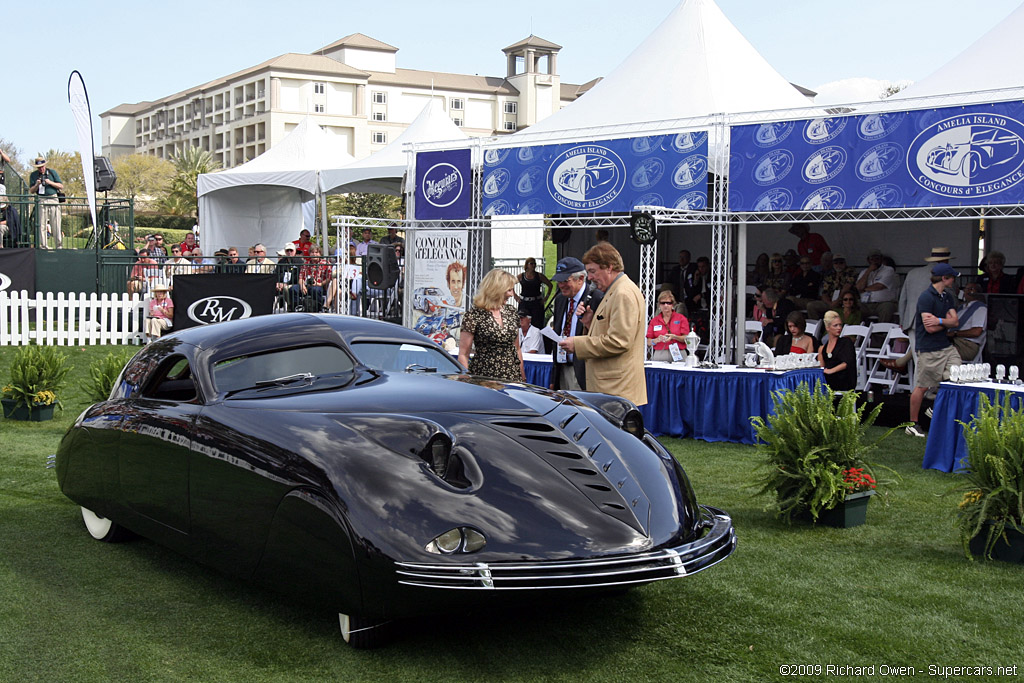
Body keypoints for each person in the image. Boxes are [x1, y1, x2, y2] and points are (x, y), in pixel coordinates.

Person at [559, 242, 647, 406]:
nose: (590, 277)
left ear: (609, 267)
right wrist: (590, 323)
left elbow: (619, 342)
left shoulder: (622, 294)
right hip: (612, 390)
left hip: (617, 390)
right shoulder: (616, 290)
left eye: (593, 271)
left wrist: (577, 344)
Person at [906, 263, 961, 438]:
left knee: (957, 377)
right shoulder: (926, 298)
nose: (954, 280)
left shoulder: (947, 296)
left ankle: (934, 407)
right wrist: (945, 323)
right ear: (944, 279)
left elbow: (956, 322)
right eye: (952, 277)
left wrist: (938, 321)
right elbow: (929, 328)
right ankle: (912, 424)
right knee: (922, 386)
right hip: (929, 349)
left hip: (946, 347)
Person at [886, 247, 955, 373]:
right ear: (945, 260)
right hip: (933, 321)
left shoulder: (912, 273)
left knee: (919, 358)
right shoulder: (944, 275)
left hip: (911, 321)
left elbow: (903, 299)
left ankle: (918, 390)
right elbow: (951, 300)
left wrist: (903, 320)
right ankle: (925, 390)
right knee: (931, 359)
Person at [458, 268, 524, 383]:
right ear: (497, 290)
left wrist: (522, 378)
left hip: (512, 378)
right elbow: (463, 354)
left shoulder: (511, 312)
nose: (512, 294)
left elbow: (517, 348)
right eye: (509, 290)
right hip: (483, 379)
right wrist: (466, 381)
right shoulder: (474, 315)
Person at [548, 257, 602, 392]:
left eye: (565, 281)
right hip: (562, 368)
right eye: (559, 281)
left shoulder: (596, 298)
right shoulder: (561, 299)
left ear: (581, 279)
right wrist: (554, 377)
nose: (561, 285)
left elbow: (602, 337)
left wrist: (588, 323)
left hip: (583, 371)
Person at [29, 156, 64, 249]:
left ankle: (59, 245)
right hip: (41, 199)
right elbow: (31, 190)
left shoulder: (52, 172)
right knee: (42, 224)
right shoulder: (33, 175)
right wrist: (37, 184)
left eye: (43, 166)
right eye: (39, 167)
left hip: (53, 199)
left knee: (56, 223)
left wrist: (50, 182)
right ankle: (44, 245)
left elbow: (61, 186)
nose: (41, 168)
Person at [807, 253, 856, 319]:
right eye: (836, 263)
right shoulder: (830, 275)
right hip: (831, 302)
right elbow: (824, 292)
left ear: (845, 263)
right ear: (833, 264)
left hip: (845, 301)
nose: (838, 265)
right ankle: (819, 327)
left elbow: (847, 287)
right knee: (811, 305)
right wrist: (830, 304)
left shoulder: (850, 272)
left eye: (841, 263)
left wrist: (838, 300)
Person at [818, 310, 857, 391]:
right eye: (835, 325)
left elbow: (847, 363)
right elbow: (821, 368)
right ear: (828, 328)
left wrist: (831, 371)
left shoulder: (846, 342)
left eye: (840, 325)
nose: (839, 328)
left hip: (843, 380)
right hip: (828, 381)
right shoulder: (823, 348)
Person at [646, 290, 690, 362]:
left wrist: (674, 337)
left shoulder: (681, 318)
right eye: (663, 303)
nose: (665, 305)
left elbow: (687, 338)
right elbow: (648, 342)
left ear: (672, 305)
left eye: (668, 303)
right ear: (659, 305)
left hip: (678, 351)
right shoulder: (654, 321)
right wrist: (656, 340)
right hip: (660, 353)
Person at [855, 249, 898, 322]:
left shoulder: (888, 270)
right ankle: (858, 330)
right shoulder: (864, 272)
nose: (875, 261)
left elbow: (879, 286)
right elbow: (858, 287)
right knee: (855, 306)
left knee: (887, 307)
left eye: (877, 258)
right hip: (866, 303)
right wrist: (868, 271)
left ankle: (881, 332)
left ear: (881, 259)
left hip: (883, 303)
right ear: (868, 260)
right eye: (872, 259)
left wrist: (864, 289)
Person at [949, 282, 987, 362]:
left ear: (978, 292)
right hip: (955, 341)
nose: (968, 291)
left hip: (967, 345)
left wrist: (955, 333)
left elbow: (976, 332)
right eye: (966, 289)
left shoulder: (980, 308)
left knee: (937, 350)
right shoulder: (962, 308)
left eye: (971, 289)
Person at [515, 257, 551, 330]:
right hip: (524, 302)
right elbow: (510, 284)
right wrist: (515, 296)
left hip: (536, 303)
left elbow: (550, 285)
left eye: (534, 264)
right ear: (527, 265)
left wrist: (546, 298)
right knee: (523, 324)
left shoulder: (539, 276)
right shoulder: (521, 276)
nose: (533, 265)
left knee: (537, 325)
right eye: (531, 263)